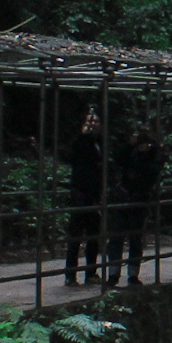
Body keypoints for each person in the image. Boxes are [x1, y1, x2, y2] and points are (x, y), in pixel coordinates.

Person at [109, 121, 165, 287]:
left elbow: (153, 172)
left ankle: (133, 274)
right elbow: (119, 162)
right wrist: (130, 146)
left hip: (140, 199)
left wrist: (149, 152)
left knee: (135, 237)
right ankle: (113, 273)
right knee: (116, 236)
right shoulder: (130, 150)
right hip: (124, 196)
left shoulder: (155, 152)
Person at [65, 107, 107, 286]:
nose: (92, 125)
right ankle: (70, 274)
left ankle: (91, 272)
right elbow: (75, 157)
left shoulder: (100, 143)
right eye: (89, 121)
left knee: (93, 236)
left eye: (95, 121)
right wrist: (84, 137)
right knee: (76, 236)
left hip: (94, 195)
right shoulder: (80, 142)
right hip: (81, 194)